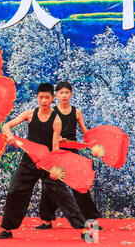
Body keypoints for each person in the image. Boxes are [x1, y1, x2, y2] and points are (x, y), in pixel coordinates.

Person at [0, 83, 90, 241]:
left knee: (63, 195)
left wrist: (55, 168)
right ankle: (7, 229)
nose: (44, 100)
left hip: (47, 162)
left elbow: (54, 147)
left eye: (47, 97)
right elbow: (6, 125)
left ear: (53, 99)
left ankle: (83, 229)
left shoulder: (56, 120)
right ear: (37, 98)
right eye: (41, 97)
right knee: (14, 191)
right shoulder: (30, 114)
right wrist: (9, 135)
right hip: (29, 161)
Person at [36, 81, 102, 230]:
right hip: (56, 152)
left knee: (80, 185)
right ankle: (46, 220)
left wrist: (93, 146)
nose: (64, 95)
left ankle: (90, 220)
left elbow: (86, 133)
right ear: (56, 96)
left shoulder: (76, 112)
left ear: (71, 94)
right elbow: (46, 132)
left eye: (67, 93)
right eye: (61, 93)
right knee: (50, 186)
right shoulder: (51, 112)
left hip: (72, 152)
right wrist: (57, 138)